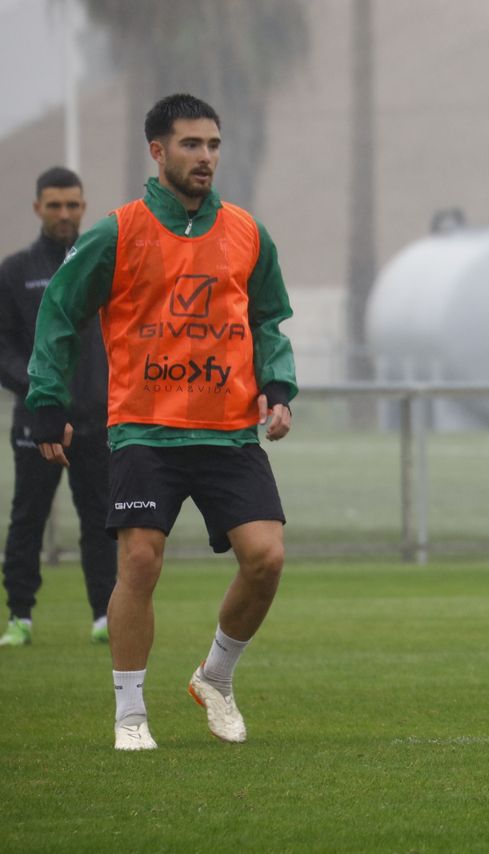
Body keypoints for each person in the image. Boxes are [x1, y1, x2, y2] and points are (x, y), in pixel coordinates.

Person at [27, 93, 298, 752]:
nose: (205, 157)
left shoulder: (247, 232)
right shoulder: (118, 232)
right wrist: (48, 401)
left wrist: (278, 387)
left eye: (213, 145)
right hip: (145, 429)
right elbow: (59, 311)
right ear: (157, 150)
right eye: (190, 144)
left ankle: (215, 677)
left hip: (228, 430)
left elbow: (267, 318)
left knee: (266, 558)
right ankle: (130, 713)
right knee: (141, 560)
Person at [0, 167, 115, 647]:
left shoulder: (102, 264)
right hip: (38, 422)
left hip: (97, 420)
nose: (64, 213)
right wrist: (38, 387)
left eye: (72, 204)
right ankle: (19, 617)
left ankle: (105, 615)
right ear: (38, 208)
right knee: (27, 518)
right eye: (54, 205)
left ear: (83, 207)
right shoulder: (14, 272)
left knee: (103, 519)